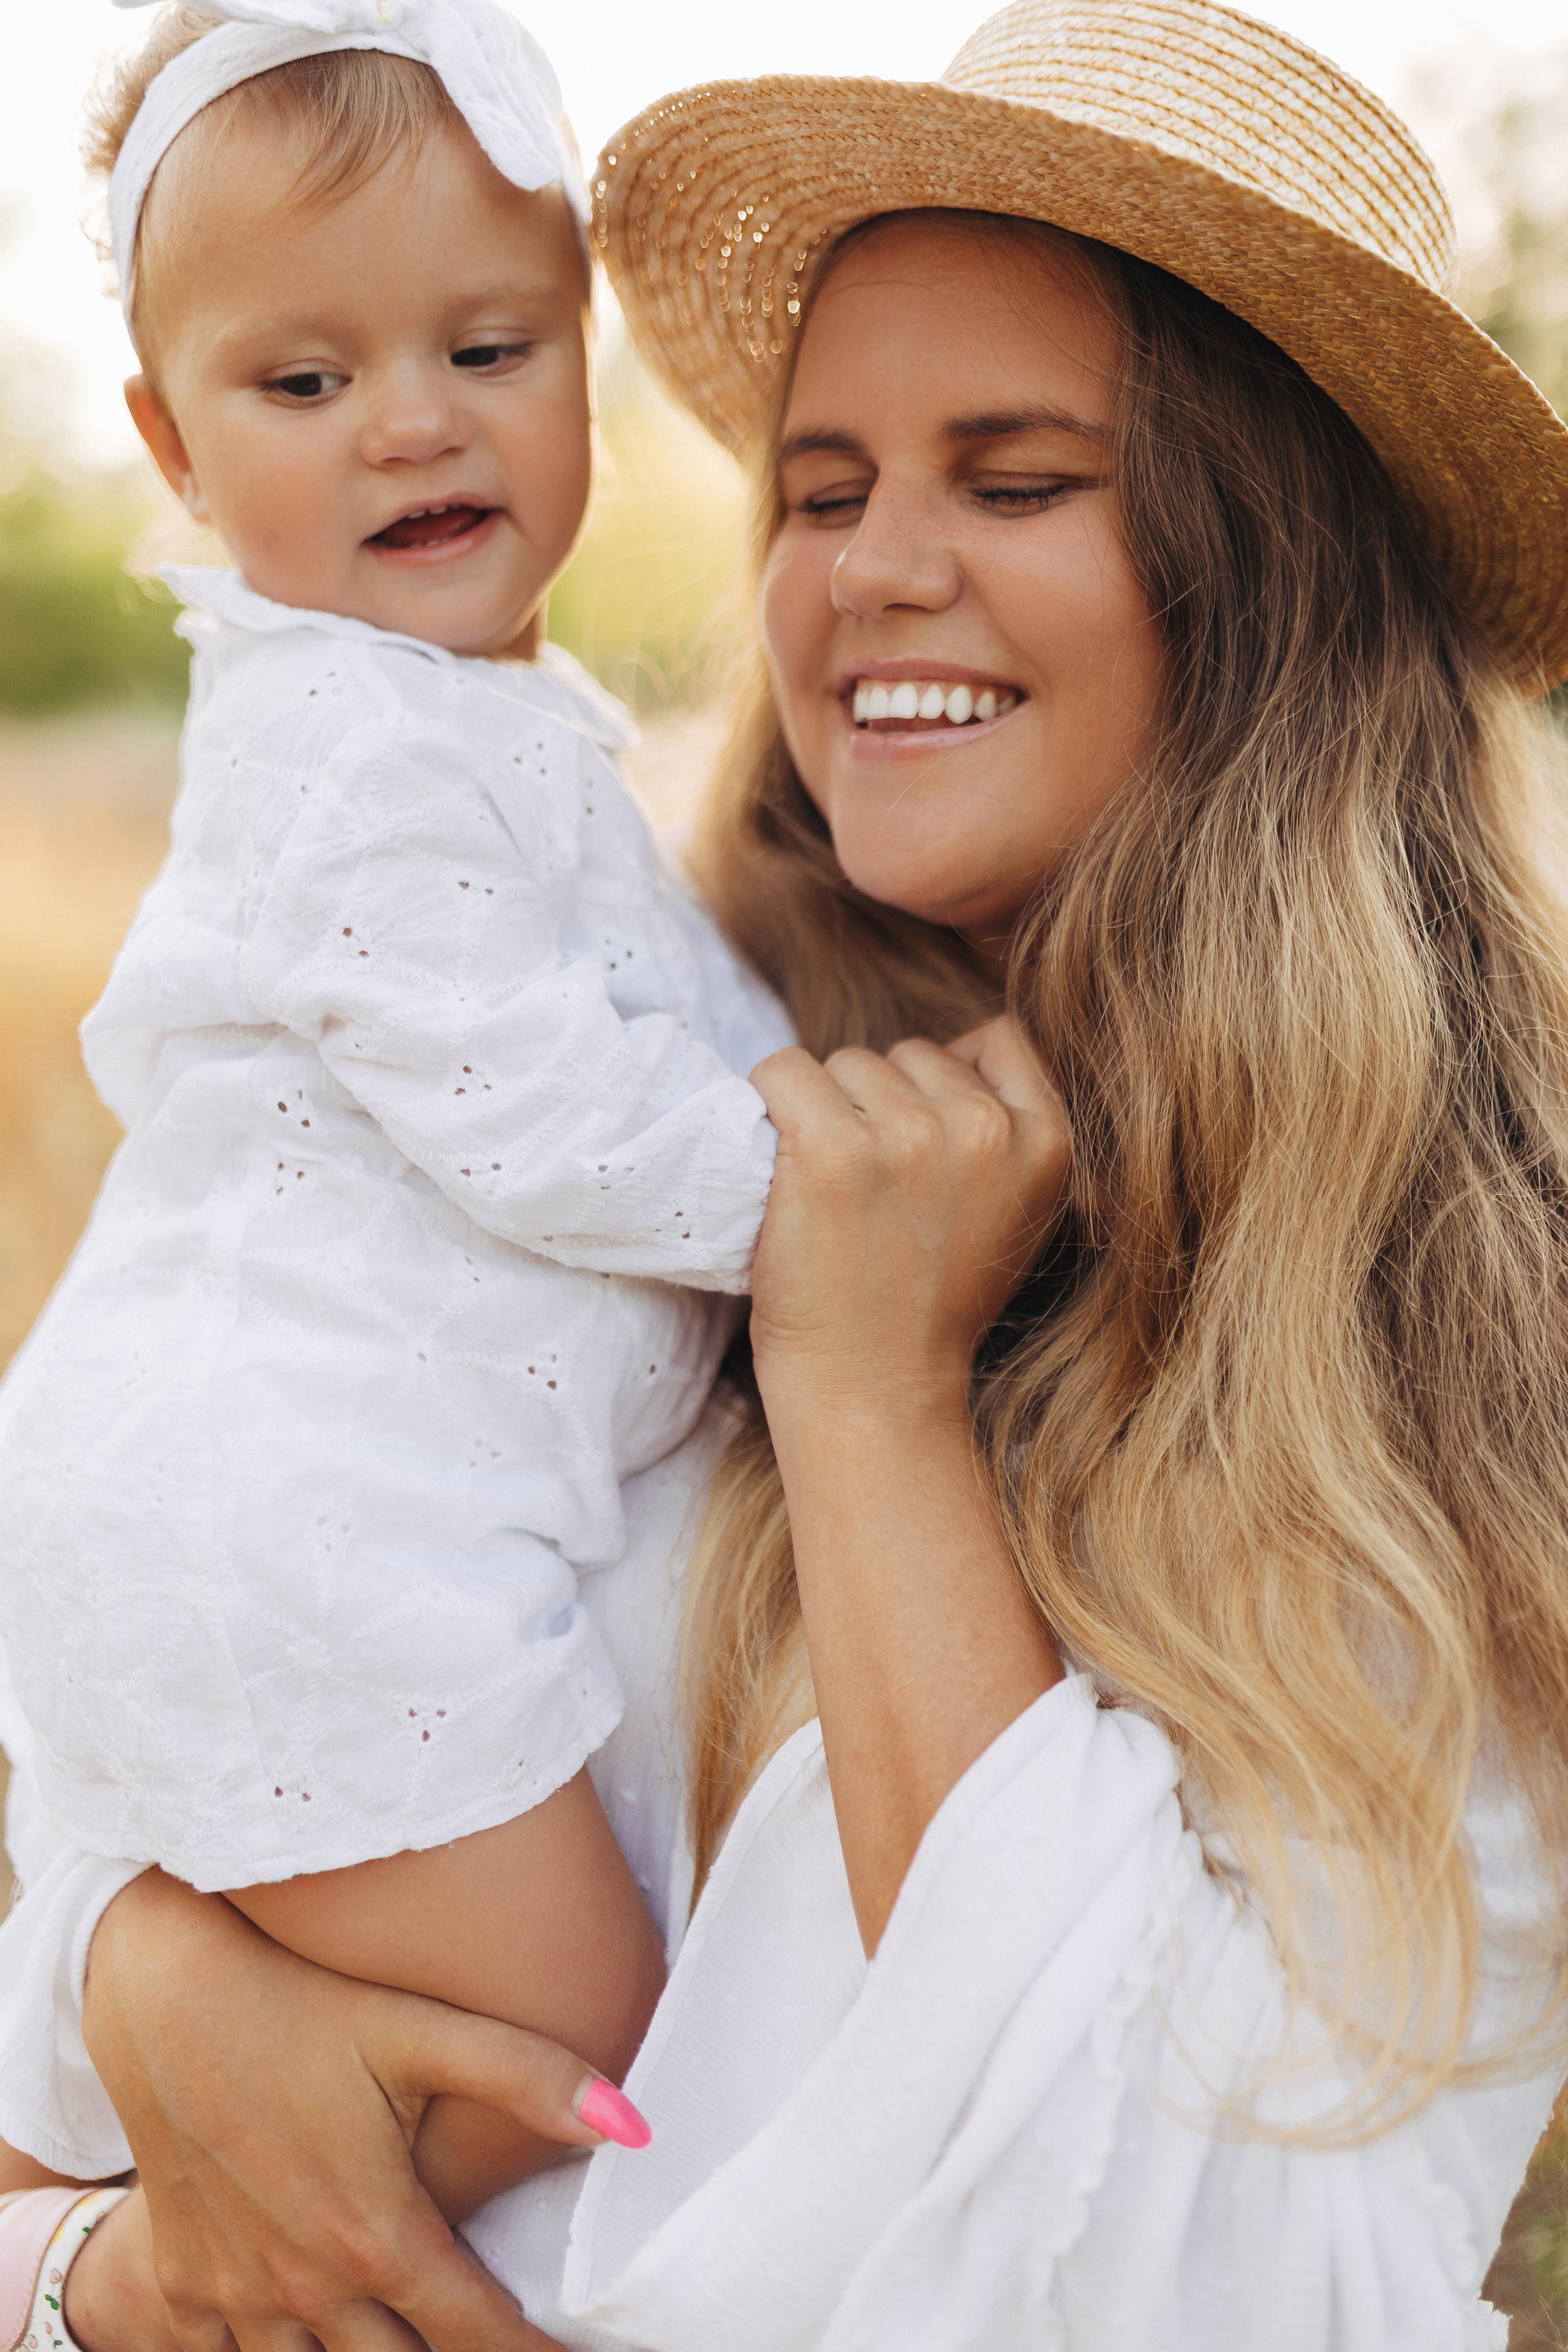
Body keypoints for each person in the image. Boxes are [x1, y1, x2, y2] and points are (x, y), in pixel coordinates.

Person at [6, 0, 1568, 2345]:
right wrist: (132, 2010)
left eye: (1015, 479)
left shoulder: (1446, 1337)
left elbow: (1257, 2284)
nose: (871, 577)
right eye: (825, 492)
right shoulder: (632, 1100)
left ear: (1272, 581)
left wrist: (867, 1397)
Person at [0, 0, 806, 2285]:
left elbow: (657, 1015)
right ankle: (101, 2211)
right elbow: (540, 1106)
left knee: (528, 2026)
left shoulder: (488, 721)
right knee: (570, 2044)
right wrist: (826, 1195)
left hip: (339, 1514)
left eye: (490, 344)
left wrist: (790, 1080)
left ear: (588, 366)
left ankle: (127, 2134)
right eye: (307, 382)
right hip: (288, 1519)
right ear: (167, 443)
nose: (418, 422)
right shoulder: (333, 745)